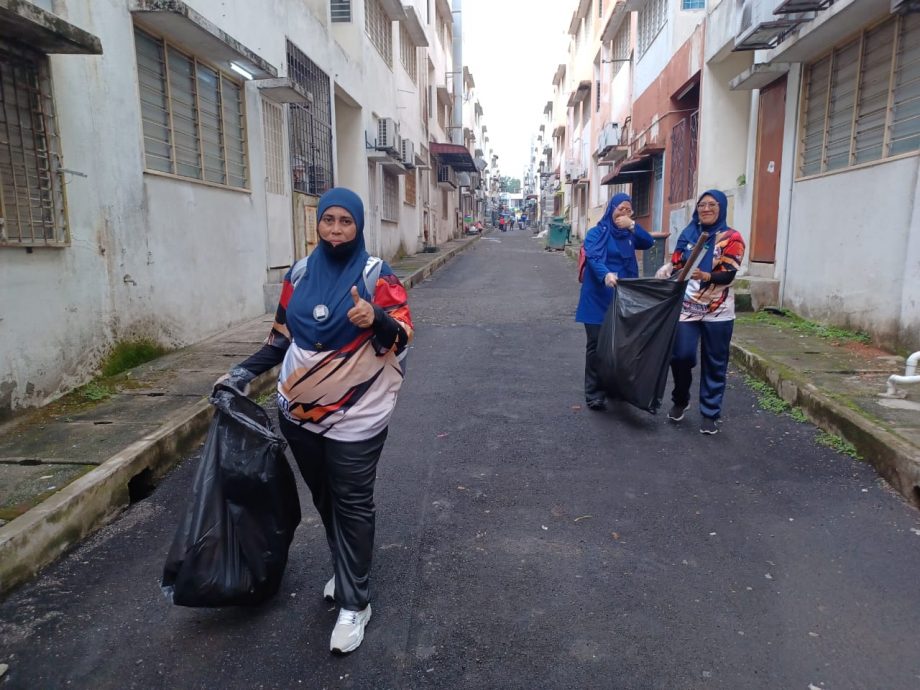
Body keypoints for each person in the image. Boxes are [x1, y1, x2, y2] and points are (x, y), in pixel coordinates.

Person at [217, 187, 413, 653]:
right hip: (299, 416)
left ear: (359, 226)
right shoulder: (299, 275)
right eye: (329, 220)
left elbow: (403, 334)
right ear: (318, 224)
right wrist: (240, 374)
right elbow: (280, 338)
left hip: (357, 417)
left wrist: (376, 319)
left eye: (347, 221)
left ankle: (355, 602)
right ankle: (345, 569)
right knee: (325, 497)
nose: (337, 230)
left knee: (352, 501)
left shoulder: (376, 275)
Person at [665, 189, 746, 434]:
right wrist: (667, 267)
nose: (706, 209)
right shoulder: (690, 233)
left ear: (721, 208)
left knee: (715, 362)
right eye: (702, 205)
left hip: (718, 310)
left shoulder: (732, 237)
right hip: (688, 307)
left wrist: (708, 275)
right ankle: (681, 398)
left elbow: (729, 273)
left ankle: (710, 413)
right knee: (681, 356)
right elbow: (678, 263)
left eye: (712, 205)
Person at [575, 192, 656, 410]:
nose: (624, 213)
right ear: (611, 209)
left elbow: (648, 242)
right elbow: (593, 258)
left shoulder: (629, 235)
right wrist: (606, 274)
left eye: (628, 209)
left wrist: (632, 225)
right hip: (598, 297)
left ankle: (614, 387)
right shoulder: (596, 233)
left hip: (624, 298)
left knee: (621, 346)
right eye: (620, 208)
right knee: (596, 346)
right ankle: (594, 392)